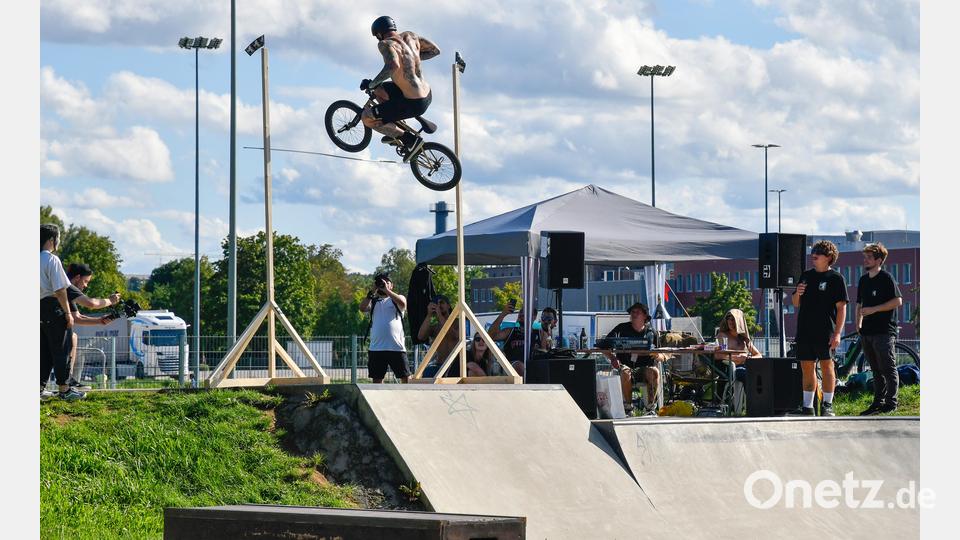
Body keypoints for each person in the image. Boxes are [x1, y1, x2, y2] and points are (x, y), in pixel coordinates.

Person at [360, 16, 441, 156]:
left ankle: (408, 139)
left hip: (413, 103)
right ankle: (397, 123)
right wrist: (411, 58)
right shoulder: (411, 36)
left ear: (379, 34)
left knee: (367, 118)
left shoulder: (385, 44)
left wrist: (372, 83)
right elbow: (435, 51)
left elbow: (392, 66)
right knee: (380, 89)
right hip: (427, 93)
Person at [791, 240, 848, 416]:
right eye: (813, 251)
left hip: (826, 331)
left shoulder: (836, 278)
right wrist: (797, 292)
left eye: (819, 252)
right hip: (805, 330)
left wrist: (837, 333)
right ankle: (808, 406)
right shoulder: (806, 275)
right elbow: (795, 303)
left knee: (827, 366)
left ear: (829, 257)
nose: (814, 255)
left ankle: (827, 405)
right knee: (807, 367)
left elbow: (841, 308)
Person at [856, 243, 903, 415]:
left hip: (884, 331)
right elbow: (859, 304)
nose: (865, 260)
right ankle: (877, 402)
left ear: (879, 260)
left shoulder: (886, 278)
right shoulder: (863, 280)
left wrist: (874, 309)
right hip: (866, 331)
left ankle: (891, 402)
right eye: (865, 257)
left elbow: (898, 301)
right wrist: (857, 323)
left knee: (888, 367)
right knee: (875, 369)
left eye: (869, 257)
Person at [61, 263, 121, 389]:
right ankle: (67, 381)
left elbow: (77, 317)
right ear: (77, 277)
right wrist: (110, 301)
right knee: (71, 337)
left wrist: (99, 321)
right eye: (85, 281)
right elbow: (91, 303)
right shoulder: (68, 286)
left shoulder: (66, 289)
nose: (86, 285)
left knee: (73, 337)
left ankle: (67, 380)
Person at [40, 224, 82, 401]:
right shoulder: (51, 260)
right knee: (61, 348)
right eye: (58, 238)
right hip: (53, 306)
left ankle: (38, 388)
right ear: (52, 239)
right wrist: (67, 312)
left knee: (43, 350)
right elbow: (60, 290)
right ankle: (65, 389)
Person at [601, 302, 661, 415]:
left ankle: (650, 408)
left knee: (654, 372)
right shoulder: (621, 328)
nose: (634, 314)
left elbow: (661, 351)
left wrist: (656, 355)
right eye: (632, 312)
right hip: (625, 366)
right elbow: (603, 345)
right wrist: (612, 358)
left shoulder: (651, 332)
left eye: (637, 312)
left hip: (644, 369)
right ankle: (628, 408)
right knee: (625, 372)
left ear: (645, 316)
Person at [359, 273, 409, 383]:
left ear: (392, 285)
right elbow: (362, 308)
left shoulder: (398, 298)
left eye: (387, 282)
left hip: (396, 347)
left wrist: (387, 291)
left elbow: (402, 303)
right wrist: (372, 292)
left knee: (404, 378)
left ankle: (406, 398)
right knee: (377, 380)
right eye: (381, 282)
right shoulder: (374, 301)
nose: (383, 284)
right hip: (377, 348)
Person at [715, 308, 763, 414]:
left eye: (734, 320)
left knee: (762, 375)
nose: (731, 322)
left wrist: (748, 358)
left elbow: (759, 355)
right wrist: (737, 358)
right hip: (731, 369)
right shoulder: (723, 336)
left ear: (740, 322)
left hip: (745, 366)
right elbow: (718, 355)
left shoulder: (745, 340)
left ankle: (761, 405)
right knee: (746, 375)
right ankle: (751, 407)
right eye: (729, 319)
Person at [488, 302, 550, 376]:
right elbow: (490, 336)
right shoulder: (510, 331)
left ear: (534, 316)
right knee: (519, 366)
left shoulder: (541, 334)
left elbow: (544, 355)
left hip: (533, 368)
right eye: (521, 312)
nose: (521, 314)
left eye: (525, 312)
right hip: (511, 368)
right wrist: (503, 314)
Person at [418, 295, 460, 378]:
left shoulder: (458, 322)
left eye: (441, 303)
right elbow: (420, 336)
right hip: (439, 365)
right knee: (427, 373)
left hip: (454, 365)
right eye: (436, 304)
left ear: (448, 306)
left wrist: (439, 314)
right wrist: (429, 315)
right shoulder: (435, 327)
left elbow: (454, 335)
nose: (439, 306)